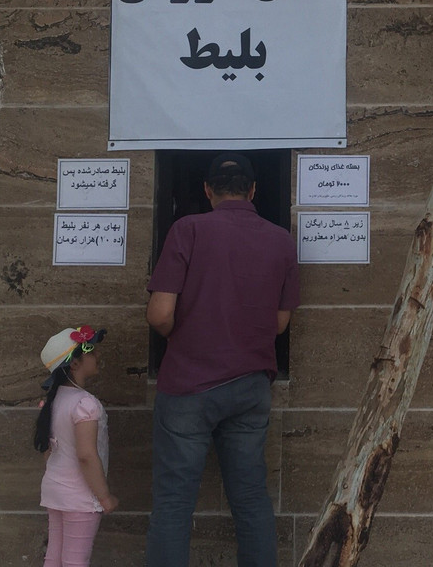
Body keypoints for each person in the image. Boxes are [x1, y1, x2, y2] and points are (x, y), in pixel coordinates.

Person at [145, 153, 299, 567]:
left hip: (188, 383)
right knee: (250, 498)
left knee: (174, 503)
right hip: (250, 385)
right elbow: (279, 323)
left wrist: (183, 335)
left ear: (207, 190)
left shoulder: (188, 229)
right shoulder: (281, 240)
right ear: (253, 190)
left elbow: (159, 314)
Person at [35, 325, 118, 567]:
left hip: (55, 490)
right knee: (75, 560)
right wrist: (104, 497)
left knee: (54, 557)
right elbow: (86, 455)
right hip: (80, 497)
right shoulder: (85, 404)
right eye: (90, 350)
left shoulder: (54, 401)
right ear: (74, 364)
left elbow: (49, 451)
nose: (97, 354)